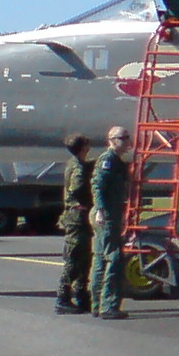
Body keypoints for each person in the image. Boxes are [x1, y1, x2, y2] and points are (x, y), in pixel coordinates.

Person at [87, 126, 133, 320]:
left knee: (100, 260)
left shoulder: (116, 161)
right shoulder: (107, 160)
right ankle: (109, 305)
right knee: (113, 258)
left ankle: (96, 305)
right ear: (113, 140)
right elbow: (97, 185)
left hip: (108, 214)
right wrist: (100, 210)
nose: (127, 141)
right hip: (105, 216)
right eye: (123, 138)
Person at [54, 134, 97, 314]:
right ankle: (63, 297)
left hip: (77, 216)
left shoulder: (74, 163)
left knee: (84, 258)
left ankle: (81, 295)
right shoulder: (78, 168)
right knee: (74, 257)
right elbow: (77, 187)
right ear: (83, 148)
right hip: (77, 217)